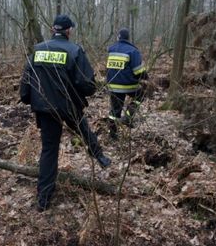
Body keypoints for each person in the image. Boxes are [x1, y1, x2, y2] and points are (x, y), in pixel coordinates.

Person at [19, 14, 111, 212]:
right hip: (68, 106)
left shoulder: (37, 50)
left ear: (53, 29)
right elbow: (87, 84)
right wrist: (89, 91)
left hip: (45, 108)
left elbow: (26, 83)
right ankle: (100, 157)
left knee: (49, 150)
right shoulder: (74, 50)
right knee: (84, 130)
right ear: (68, 31)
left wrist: (29, 99)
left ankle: (43, 198)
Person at [106, 28, 148, 139]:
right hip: (128, 85)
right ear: (128, 38)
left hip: (112, 85)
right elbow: (138, 70)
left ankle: (112, 135)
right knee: (140, 95)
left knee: (115, 111)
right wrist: (145, 77)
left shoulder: (111, 49)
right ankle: (128, 117)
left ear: (118, 37)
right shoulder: (132, 51)